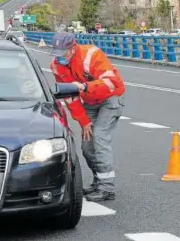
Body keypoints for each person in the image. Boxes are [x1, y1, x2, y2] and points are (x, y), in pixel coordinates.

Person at [49, 32, 125, 202]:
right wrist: (84, 122)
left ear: (73, 48)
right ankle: (99, 181)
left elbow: (111, 83)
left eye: (63, 54)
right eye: (57, 54)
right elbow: (70, 98)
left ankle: (107, 188)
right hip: (90, 102)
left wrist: (85, 86)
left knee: (99, 136)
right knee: (87, 145)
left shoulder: (91, 55)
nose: (60, 58)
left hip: (110, 98)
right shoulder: (57, 66)